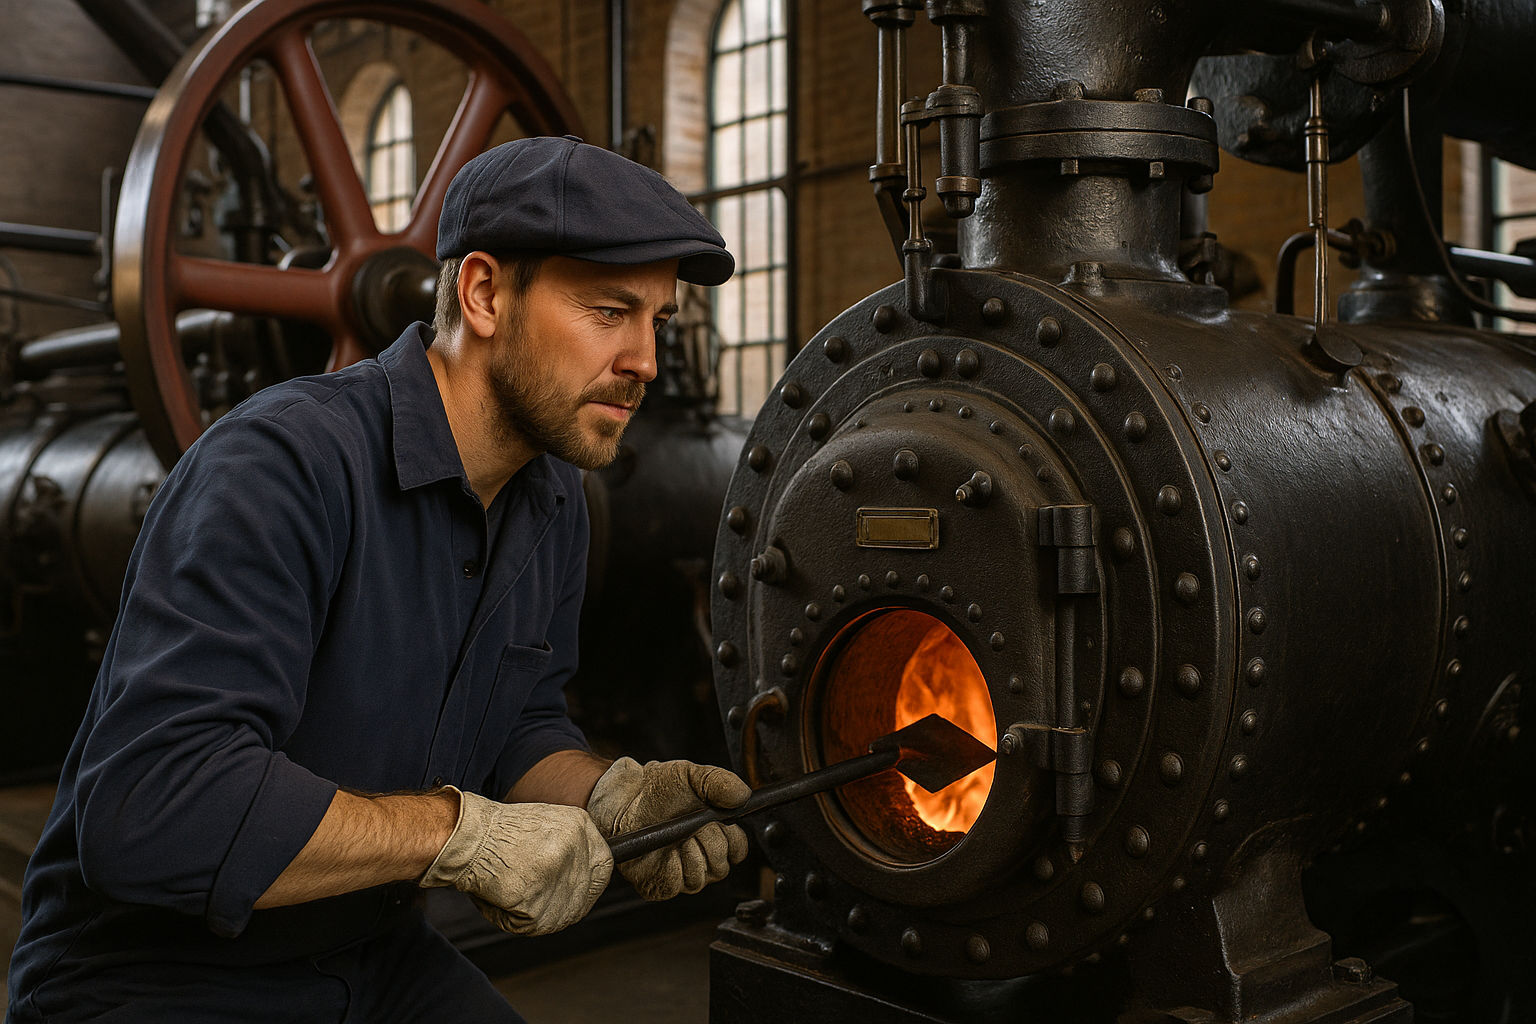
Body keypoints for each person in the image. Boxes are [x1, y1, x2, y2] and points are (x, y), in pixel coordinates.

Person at [5, 136, 750, 1023]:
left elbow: (515, 723)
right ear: (481, 294)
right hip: (154, 973)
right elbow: (152, 810)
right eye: (608, 312)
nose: (645, 363)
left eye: (657, 322)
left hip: (369, 951)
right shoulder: (280, 468)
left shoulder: (552, 498)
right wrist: (459, 837)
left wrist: (609, 795)